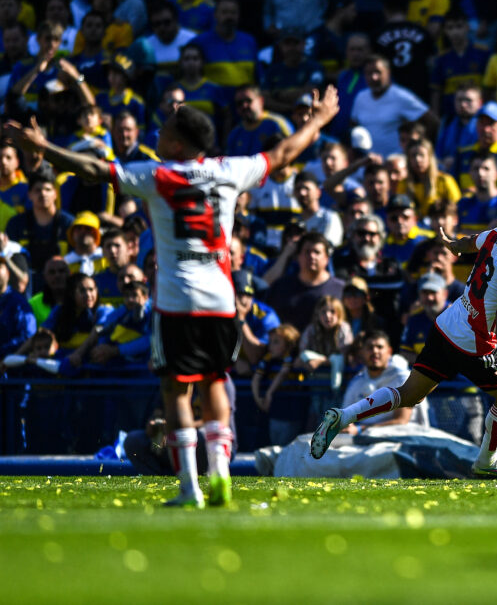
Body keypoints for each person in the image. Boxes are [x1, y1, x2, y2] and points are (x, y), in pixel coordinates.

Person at [4, 84, 340, 508]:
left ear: (177, 144)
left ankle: (190, 488)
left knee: (176, 392)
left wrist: (43, 147)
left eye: (163, 131)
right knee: (215, 382)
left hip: (176, 301)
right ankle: (220, 473)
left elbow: (92, 169)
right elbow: (285, 152)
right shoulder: (230, 169)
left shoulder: (155, 176)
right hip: (220, 300)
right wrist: (319, 119)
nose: (156, 135)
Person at [311, 198, 497, 477]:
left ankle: (343, 416)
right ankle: (487, 460)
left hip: (447, 324)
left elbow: (470, 242)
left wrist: (453, 245)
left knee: (409, 394)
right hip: (474, 343)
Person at [340, 330, 430, 433]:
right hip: (364, 439)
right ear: (362, 353)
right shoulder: (356, 383)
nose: (375, 351)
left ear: (389, 351)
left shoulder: (403, 378)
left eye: (380, 347)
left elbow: (401, 421)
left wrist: (360, 429)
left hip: (405, 437)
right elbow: (345, 418)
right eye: (370, 347)